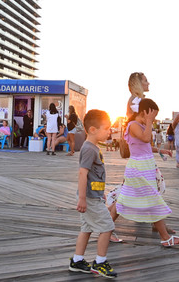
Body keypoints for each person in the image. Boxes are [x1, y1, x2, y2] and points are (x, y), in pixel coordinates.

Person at [114, 99, 179, 247]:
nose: (154, 118)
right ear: (145, 112)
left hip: (145, 166)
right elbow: (145, 138)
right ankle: (165, 238)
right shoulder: (133, 125)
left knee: (126, 200)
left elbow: (144, 145)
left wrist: (159, 150)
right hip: (138, 168)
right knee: (149, 199)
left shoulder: (140, 125)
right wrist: (149, 121)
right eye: (153, 114)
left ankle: (104, 230)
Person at [68, 109, 118, 278]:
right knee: (108, 227)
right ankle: (100, 262)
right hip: (88, 198)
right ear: (92, 130)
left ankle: (77, 259)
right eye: (106, 128)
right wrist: (82, 198)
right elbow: (83, 173)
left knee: (87, 228)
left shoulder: (93, 147)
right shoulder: (89, 149)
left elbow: (94, 175)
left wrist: (100, 192)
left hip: (92, 195)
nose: (109, 132)